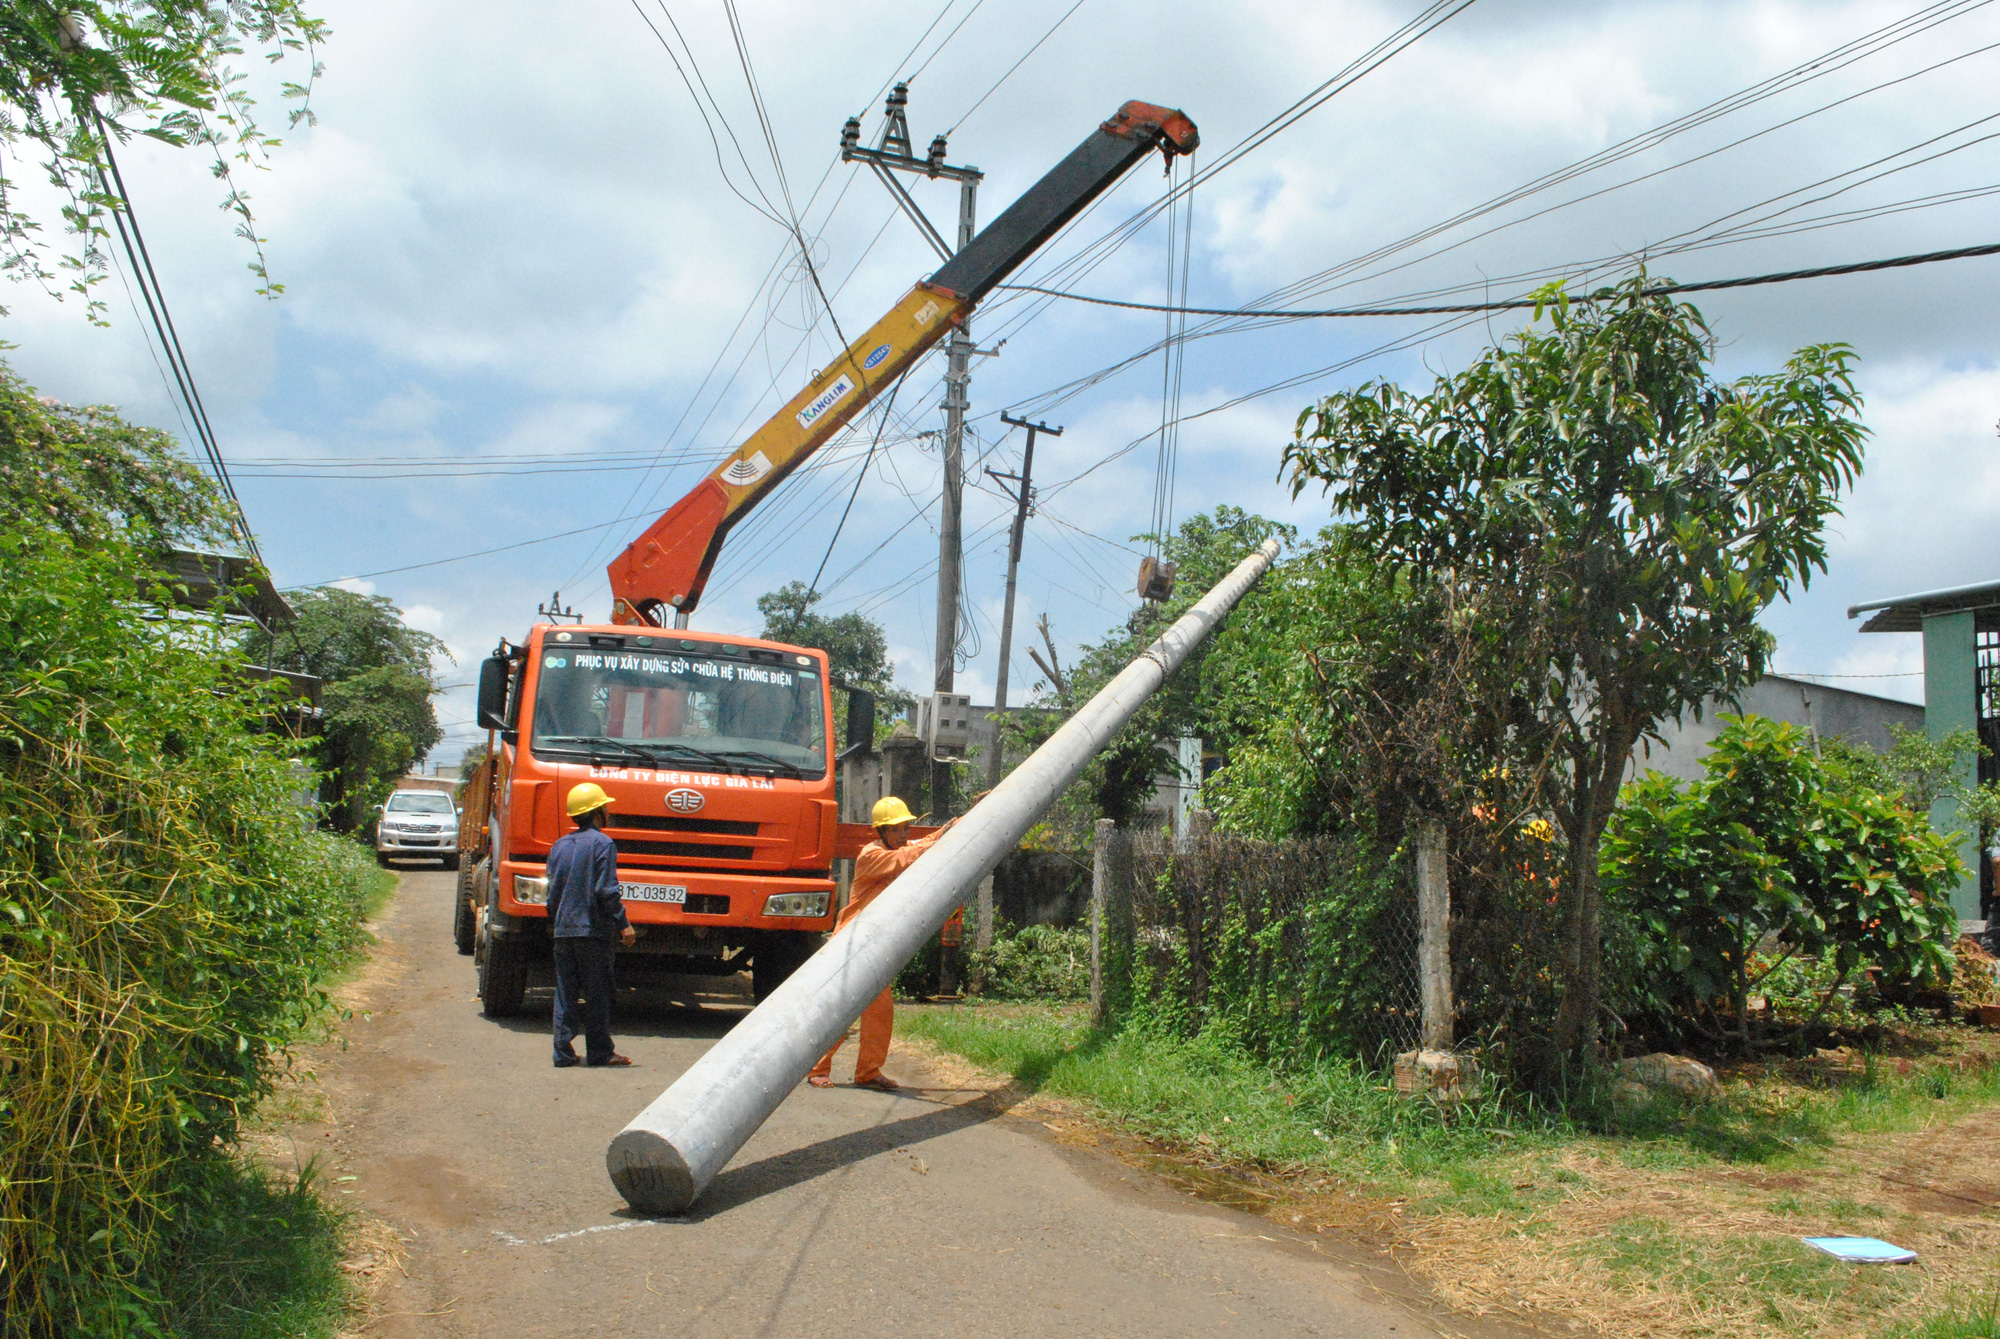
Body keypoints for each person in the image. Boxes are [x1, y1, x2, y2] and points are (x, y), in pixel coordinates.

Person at [807, 795, 950, 1091]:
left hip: (875, 944)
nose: (903, 834)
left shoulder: (906, 846)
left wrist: (970, 815)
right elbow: (907, 858)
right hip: (851, 942)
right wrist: (935, 843)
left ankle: (868, 1072)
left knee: (880, 1010)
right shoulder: (871, 855)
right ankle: (818, 1068)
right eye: (896, 829)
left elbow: (936, 837)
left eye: (906, 828)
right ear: (881, 831)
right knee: (842, 1010)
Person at [546, 782, 637, 1068]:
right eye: (604, 807)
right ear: (598, 812)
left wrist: (557, 923)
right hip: (591, 932)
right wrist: (623, 924)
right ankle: (599, 1052)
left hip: (564, 930)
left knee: (565, 991)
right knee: (598, 992)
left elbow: (552, 893)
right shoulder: (603, 844)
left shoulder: (559, 845)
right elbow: (606, 890)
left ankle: (562, 1053)